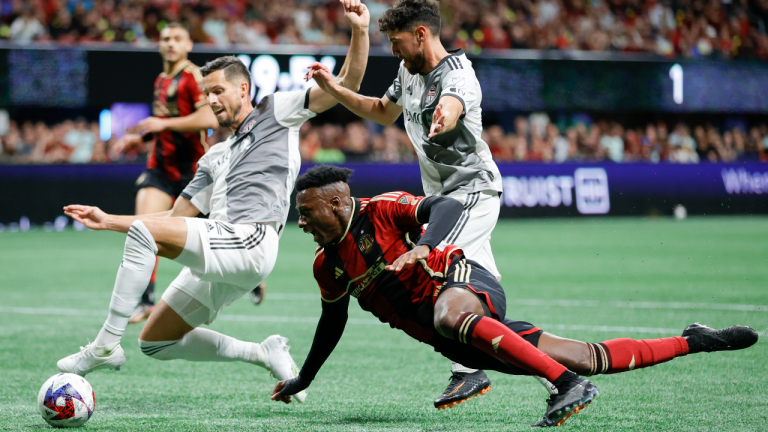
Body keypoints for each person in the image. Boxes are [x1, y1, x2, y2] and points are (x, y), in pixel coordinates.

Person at [271, 166, 758, 427]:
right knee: (588, 357)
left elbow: (444, 205)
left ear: (336, 201)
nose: (303, 222)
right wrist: (303, 378)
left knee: (448, 314)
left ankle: (565, 385)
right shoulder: (327, 265)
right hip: (458, 334)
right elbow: (330, 325)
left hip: (461, 284)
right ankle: (695, 340)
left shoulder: (383, 209)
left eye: (308, 212)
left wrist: (422, 247)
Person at [56, 0, 371, 402]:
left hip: (250, 240)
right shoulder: (214, 156)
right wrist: (106, 219)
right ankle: (262, 352)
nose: (212, 101)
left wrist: (359, 30)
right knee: (155, 342)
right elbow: (172, 218)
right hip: (221, 250)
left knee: (144, 232)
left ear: (243, 88)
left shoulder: (277, 110)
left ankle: (103, 346)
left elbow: (348, 83)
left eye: (218, 90)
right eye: (207, 95)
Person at [305, 0, 507, 408]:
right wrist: (335, 90)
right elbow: (381, 112)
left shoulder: (459, 76)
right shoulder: (406, 70)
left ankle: (468, 370)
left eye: (397, 43)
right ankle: (557, 376)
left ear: (421, 34)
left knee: (439, 268)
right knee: (482, 294)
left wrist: (444, 119)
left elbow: (451, 104)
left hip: (470, 193)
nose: (393, 52)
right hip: (442, 195)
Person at [112, 23, 219, 324]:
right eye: (165, 39)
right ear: (159, 45)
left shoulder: (194, 76)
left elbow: (209, 117)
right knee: (143, 229)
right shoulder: (162, 79)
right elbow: (165, 121)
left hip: (194, 172)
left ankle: (250, 277)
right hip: (159, 167)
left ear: (188, 46)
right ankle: (145, 302)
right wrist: (143, 138)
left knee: (215, 241)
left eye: (177, 39)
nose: (170, 43)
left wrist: (162, 125)